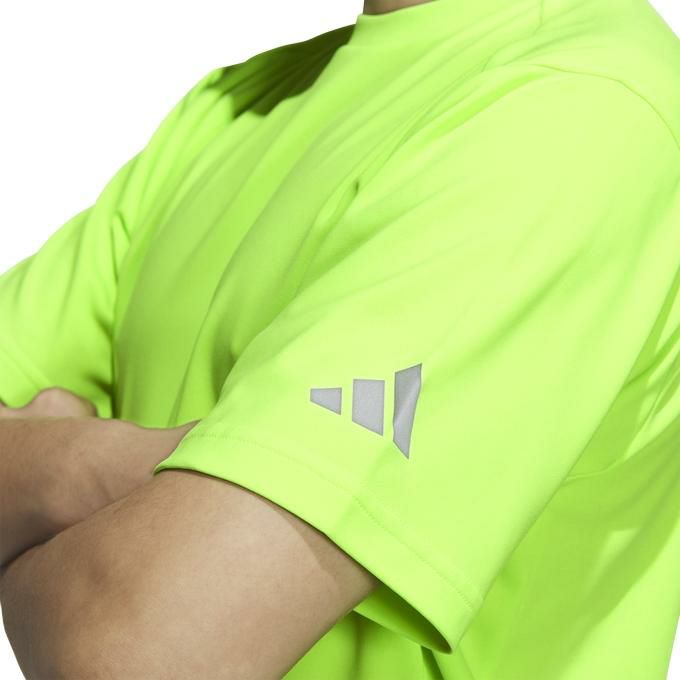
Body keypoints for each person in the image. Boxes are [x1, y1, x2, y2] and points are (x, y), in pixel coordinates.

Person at [0, 0, 678, 677]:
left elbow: (140, 653)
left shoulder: (579, 108)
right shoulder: (238, 104)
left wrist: (22, 526)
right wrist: (89, 466)